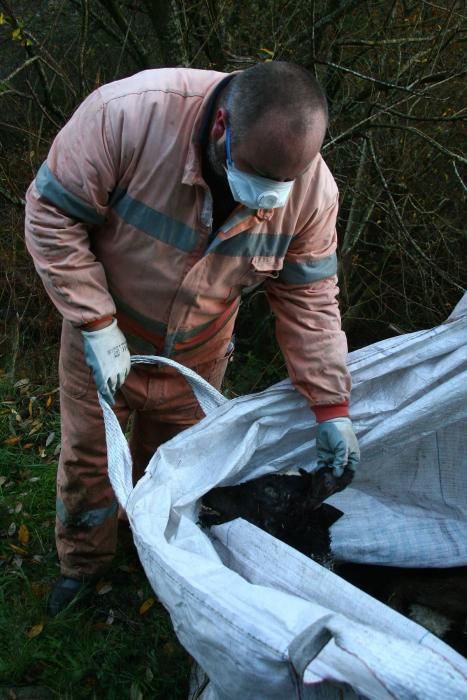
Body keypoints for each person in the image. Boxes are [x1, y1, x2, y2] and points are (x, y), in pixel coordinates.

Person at [25, 61, 360, 615]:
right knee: (91, 461)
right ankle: (83, 571)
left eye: (286, 182)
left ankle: (148, 553)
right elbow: (50, 214)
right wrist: (95, 321)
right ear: (222, 125)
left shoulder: (311, 192)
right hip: (105, 336)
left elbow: (310, 302)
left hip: (199, 352)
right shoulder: (129, 116)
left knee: (175, 464)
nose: (268, 199)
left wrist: (332, 406)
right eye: (258, 174)